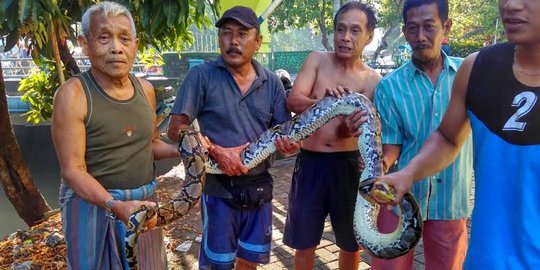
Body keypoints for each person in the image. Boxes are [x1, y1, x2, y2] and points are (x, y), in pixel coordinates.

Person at [373, 0, 540, 269]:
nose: (510, 5)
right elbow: (448, 137)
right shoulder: (477, 69)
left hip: (455, 210)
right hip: (485, 259)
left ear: (445, 27)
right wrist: (407, 172)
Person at [167, 6, 299, 270]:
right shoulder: (201, 76)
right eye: (226, 34)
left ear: (258, 41)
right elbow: (175, 129)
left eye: (242, 34)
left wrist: (290, 145)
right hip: (217, 189)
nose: (234, 41)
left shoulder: (272, 83)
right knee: (218, 264)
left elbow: (284, 136)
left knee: (250, 261)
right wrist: (215, 150)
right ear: (219, 39)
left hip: (259, 187)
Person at [51, 2, 179, 269]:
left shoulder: (145, 90)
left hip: (143, 203)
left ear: (136, 44)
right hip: (94, 207)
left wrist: (185, 149)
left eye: (124, 38)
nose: (116, 48)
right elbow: (73, 171)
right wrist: (114, 205)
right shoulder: (72, 95)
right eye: (104, 37)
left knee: (148, 264)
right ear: (84, 44)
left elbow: (151, 144)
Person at [369, 0, 473, 269]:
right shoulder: (390, 87)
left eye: (429, 27)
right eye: (413, 28)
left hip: (450, 202)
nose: (420, 37)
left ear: (446, 26)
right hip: (399, 200)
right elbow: (392, 145)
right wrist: (379, 167)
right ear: (404, 31)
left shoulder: (469, 75)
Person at [283, 2, 381, 270]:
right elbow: (293, 101)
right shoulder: (317, 59)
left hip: (348, 167)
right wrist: (325, 105)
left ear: (369, 36)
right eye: (340, 29)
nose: (345, 38)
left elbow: (368, 130)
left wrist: (349, 126)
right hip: (311, 164)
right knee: (304, 243)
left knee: (351, 244)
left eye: (354, 31)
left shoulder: (373, 81)